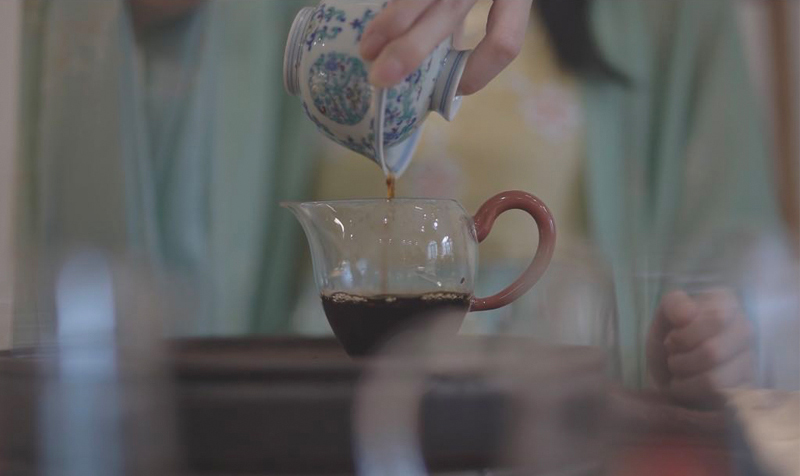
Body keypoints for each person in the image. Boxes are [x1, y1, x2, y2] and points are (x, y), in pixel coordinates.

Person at [295, 0, 799, 405]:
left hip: (546, 401)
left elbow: (733, 254)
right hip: (323, 389)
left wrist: (703, 341)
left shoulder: (668, 15)